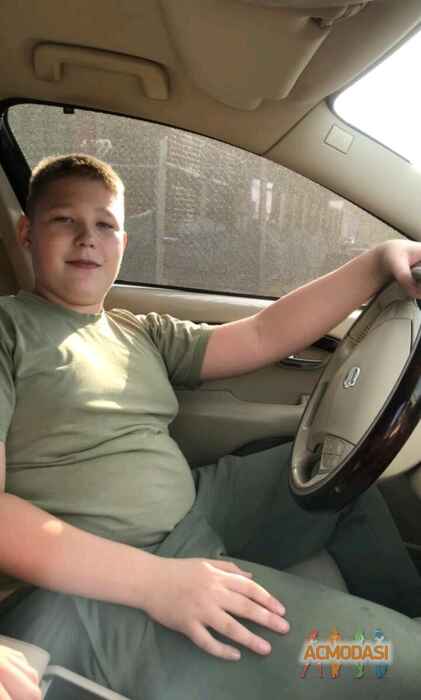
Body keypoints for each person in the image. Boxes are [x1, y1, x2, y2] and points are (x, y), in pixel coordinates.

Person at [0, 153, 421, 699]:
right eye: (64, 220)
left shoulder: (135, 331)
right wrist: (156, 582)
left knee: (338, 478)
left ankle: (406, 614)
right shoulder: (9, 329)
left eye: (104, 224)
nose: (87, 238)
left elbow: (264, 335)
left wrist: (377, 262)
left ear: (123, 242)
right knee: (391, 661)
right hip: (99, 583)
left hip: (195, 513)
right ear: (27, 233)